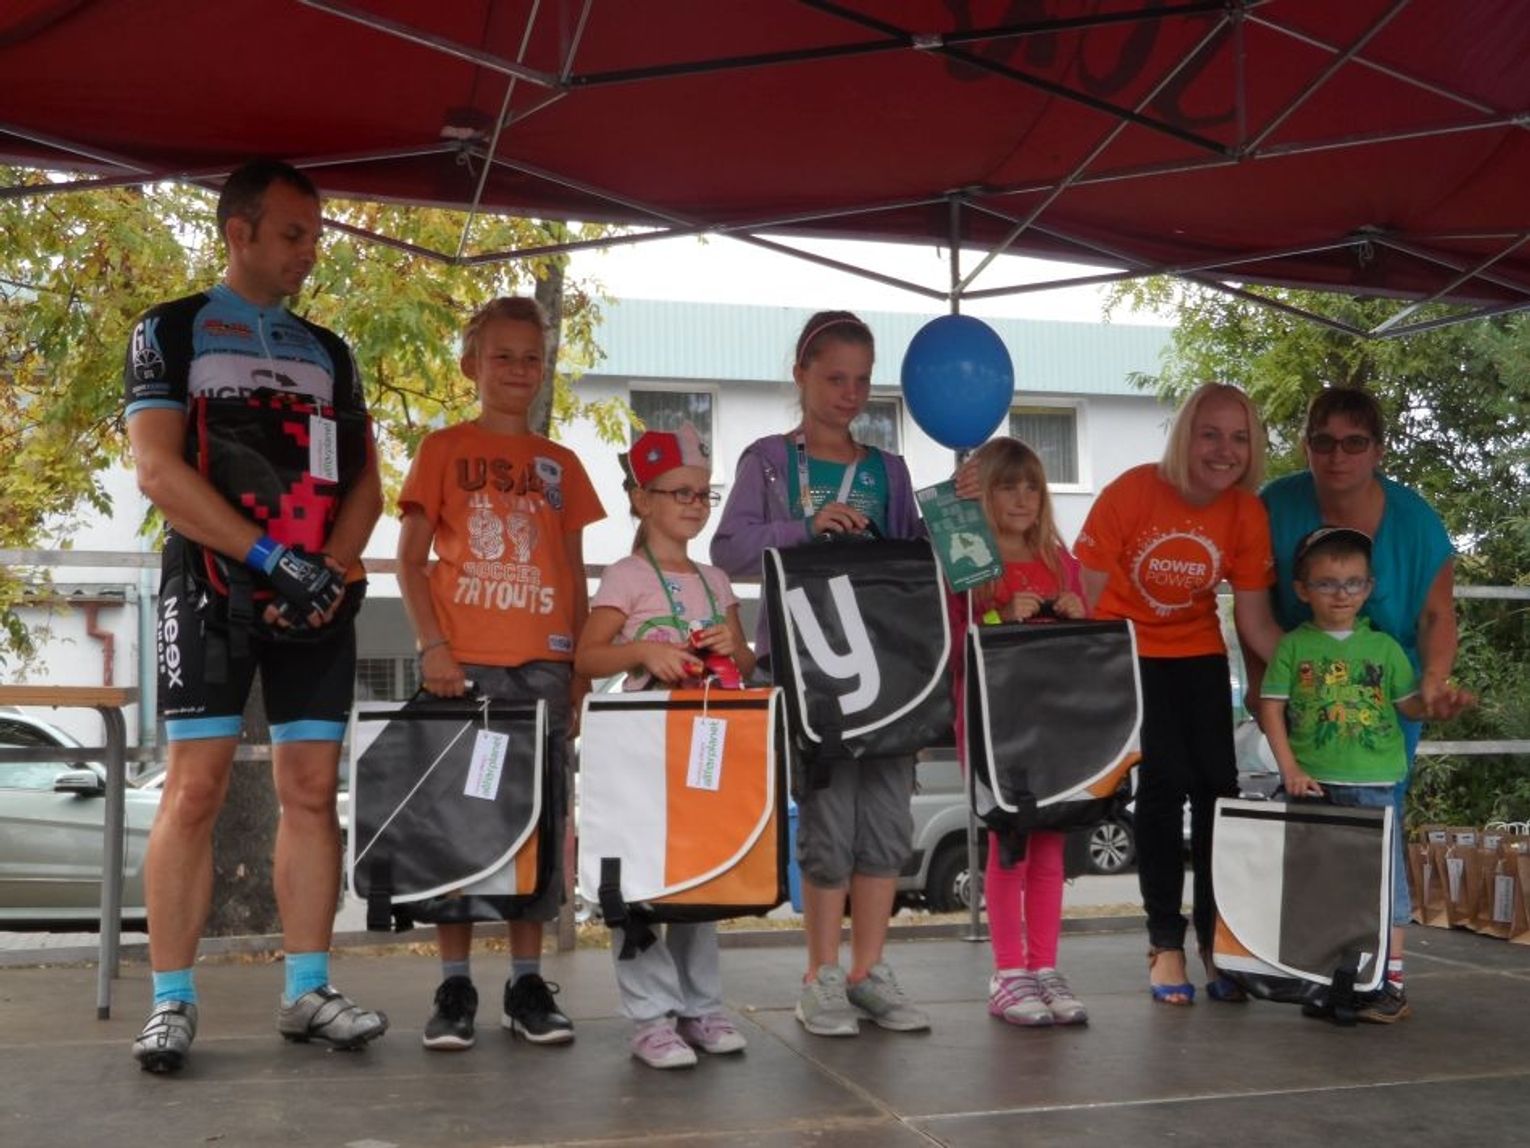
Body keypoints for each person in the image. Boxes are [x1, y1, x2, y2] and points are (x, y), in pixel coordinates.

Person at [123, 160, 387, 1072]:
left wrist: (333, 570)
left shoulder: (329, 351)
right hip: (210, 585)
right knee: (194, 790)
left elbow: (366, 482)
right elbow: (157, 470)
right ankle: (170, 1000)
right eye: (293, 234)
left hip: (316, 590)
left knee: (311, 788)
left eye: (315, 235)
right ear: (239, 232)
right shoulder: (172, 328)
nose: (310, 252)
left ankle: (308, 989)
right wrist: (273, 559)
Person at [711, 310, 929, 1038]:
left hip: (888, 672)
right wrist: (806, 528)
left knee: (887, 823)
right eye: (835, 377)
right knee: (830, 825)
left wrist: (957, 510)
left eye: (862, 380)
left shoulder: (889, 470)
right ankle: (821, 975)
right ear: (800, 373)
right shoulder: (769, 461)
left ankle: (869, 972)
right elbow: (730, 550)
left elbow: (917, 563)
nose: (850, 394)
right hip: (809, 673)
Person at [396, 296, 605, 1052]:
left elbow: (574, 575)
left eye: (531, 357)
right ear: (471, 366)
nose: (518, 369)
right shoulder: (442, 449)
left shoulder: (562, 465)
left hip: (545, 669)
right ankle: (455, 986)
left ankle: (526, 982)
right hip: (462, 670)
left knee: (536, 824)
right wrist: (434, 648)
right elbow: (409, 560)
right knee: (457, 826)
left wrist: (578, 672)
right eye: (502, 356)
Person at [1073, 382, 1285, 1006]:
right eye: (1210, 434)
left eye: (1239, 438)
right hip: (1129, 653)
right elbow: (1083, 599)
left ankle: (1219, 942)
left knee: (1219, 787)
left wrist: (1321, 665)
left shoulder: (1246, 513)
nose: (1225, 450)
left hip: (1198, 653)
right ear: (1185, 436)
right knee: (1165, 784)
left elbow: (1255, 622)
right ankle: (1164, 942)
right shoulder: (1131, 492)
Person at [574, 423, 758, 1068]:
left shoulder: (715, 579)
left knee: (698, 875)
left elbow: (747, 662)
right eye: (679, 492)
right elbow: (588, 656)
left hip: (703, 750)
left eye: (703, 494)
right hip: (642, 755)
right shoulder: (625, 575)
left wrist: (736, 648)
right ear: (641, 500)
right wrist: (643, 651)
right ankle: (651, 1017)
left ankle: (701, 1006)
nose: (694, 505)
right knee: (642, 882)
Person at [1255, 386, 1459, 926]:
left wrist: (1434, 682)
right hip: (1301, 685)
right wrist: (1268, 688)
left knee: (1376, 829)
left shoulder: (1416, 521)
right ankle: (1319, 954)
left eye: (1354, 442)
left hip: (1390, 690)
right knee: (1311, 833)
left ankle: (1377, 957)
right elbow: (1255, 606)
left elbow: (1437, 616)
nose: (1337, 455)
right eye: (1323, 442)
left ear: (1378, 450)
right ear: (1306, 447)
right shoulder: (1273, 505)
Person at [1259, 526, 1473, 1023]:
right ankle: (1333, 983)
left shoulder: (1385, 649)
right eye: (1328, 583)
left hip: (1375, 786)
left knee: (1384, 887)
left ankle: (1388, 985)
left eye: (1354, 583)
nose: (1342, 594)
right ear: (1302, 590)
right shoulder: (1293, 648)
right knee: (1324, 889)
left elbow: (1410, 706)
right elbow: (1271, 708)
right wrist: (1290, 769)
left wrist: (1437, 705)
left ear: (1369, 587)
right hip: (1314, 788)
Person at [951, 438, 1091, 1028]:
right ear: (983, 495)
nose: (1022, 498)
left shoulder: (1061, 562)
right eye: (1007, 486)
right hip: (995, 728)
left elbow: (1086, 649)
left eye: (1031, 486)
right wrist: (999, 616)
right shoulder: (970, 565)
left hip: (1054, 728)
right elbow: (952, 642)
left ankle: (1045, 966)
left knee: (1051, 847)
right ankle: (1009, 972)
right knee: (1008, 845)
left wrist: (1078, 614)